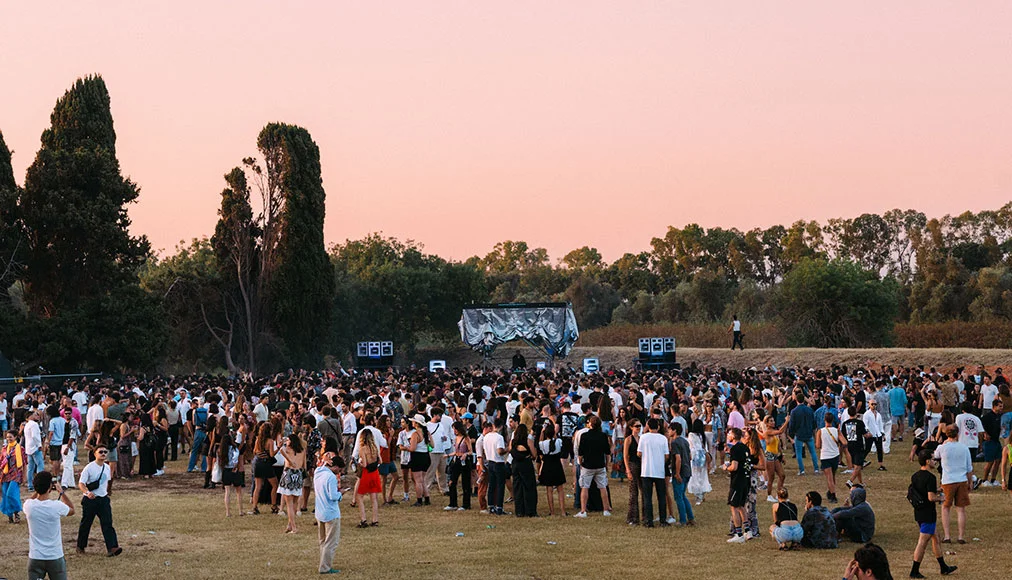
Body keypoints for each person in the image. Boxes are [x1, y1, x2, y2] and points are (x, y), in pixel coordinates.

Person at [908, 449, 958, 578]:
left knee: (936, 537)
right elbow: (930, 497)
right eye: (933, 459)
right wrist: (941, 498)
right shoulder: (930, 477)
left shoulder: (915, 476)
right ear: (927, 461)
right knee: (922, 543)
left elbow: (922, 491)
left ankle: (943, 567)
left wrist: (936, 489)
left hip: (919, 512)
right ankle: (914, 570)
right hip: (928, 514)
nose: (935, 462)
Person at [24, 471, 75, 580]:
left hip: (35, 556)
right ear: (50, 488)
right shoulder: (56, 506)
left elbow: (31, 499)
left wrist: (38, 490)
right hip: (55, 555)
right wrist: (61, 493)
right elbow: (72, 510)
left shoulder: (29, 506)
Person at [75, 444, 122, 557]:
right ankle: (80, 546)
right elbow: (81, 483)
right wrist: (87, 493)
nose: (103, 454)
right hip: (90, 500)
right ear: (95, 453)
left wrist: (107, 493)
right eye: (101, 452)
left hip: (103, 499)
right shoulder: (89, 468)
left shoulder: (106, 467)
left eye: (105, 452)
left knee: (107, 523)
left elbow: (108, 481)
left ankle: (112, 547)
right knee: (86, 523)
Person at [933, 424, 972, 544]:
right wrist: (970, 482)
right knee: (961, 509)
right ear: (958, 434)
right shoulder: (964, 448)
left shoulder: (942, 447)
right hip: (961, 480)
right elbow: (969, 468)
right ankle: (960, 536)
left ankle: (947, 536)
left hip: (947, 480)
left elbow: (935, 456)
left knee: (945, 508)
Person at [575, 415, 612, 518]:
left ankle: (583, 511)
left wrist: (581, 463)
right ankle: (605, 509)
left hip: (588, 465)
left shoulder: (584, 436)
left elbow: (580, 453)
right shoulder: (603, 436)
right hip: (600, 464)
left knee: (585, 487)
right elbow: (607, 453)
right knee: (602, 486)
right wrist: (606, 464)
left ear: (590, 424)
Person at [314, 448, 343, 575]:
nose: (339, 473)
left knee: (323, 541)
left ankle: (323, 563)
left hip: (320, 511)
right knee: (331, 542)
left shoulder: (318, 472)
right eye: (339, 470)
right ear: (335, 467)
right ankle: (325, 567)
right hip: (331, 512)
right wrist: (340, 494)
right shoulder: (330, 477)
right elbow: (333, 496)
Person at [636, 417, 668, 527]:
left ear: (648, 427)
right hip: (659, 470)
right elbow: (666, 455)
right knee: (661, 496)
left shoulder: (643, 438)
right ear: (658, 427)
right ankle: (663, 520)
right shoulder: (663, 438)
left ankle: (649, 521)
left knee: (647, 497)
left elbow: (639, 453)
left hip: (646, 470)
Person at [725, 427, 750, 543]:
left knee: (734, 506)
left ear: (734, 436)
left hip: (737, 481)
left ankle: (739, 534)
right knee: (741, 505)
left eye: (729, 433)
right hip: (746, 479)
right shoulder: (746, 447)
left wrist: (726, 467)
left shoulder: (734, 449)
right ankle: (748, 531)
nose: (728, 435)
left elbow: (734, 467)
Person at [278, 432, 306, 534]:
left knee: (289, 503)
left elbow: (281, 449)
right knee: (294, 502)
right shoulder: (302, 450)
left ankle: (293, 526)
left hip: (289, 473)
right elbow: (303, 464)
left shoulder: (288, 450)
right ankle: (290, 525)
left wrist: (289, 460)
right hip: (298, 474)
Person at [816, 412, 847, 503]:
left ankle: (833, 495)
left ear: (824, 420)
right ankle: (831, 491)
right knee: (833, 476)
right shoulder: (836, 431)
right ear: (833, 420)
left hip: (825, 456)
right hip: (835, 455)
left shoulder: (820, 431)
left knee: (829, 477)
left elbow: (818, 445)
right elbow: (844, 442)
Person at [538, 422, 567, 516]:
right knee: (560, 489)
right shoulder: (558, 442)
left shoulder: (542, 444)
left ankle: (552, 512)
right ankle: (563, 511)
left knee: (549, 490)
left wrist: (542, 432)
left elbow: (540, 443)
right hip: (557, 466)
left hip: (547, 467)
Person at [509, 422, 538, 517]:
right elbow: (534, 454)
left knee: (517, 487)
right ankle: (530, 510)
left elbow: (510, 450)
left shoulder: (513, 441)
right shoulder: (528, 441)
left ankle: (519, 510)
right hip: (526, 464)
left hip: (516, 465)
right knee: (529, 487)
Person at [355, 428, 382, 527]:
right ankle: (375, 520)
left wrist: (360, 463)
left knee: (359, 496)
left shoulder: (363, 449)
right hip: (375, 473)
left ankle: (363, 519)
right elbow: (380, 461)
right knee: (374, 498)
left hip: (367, 474)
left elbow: (365, 464)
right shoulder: (375, 447)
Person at [481, 418, 508, 515]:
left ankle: (491, 505)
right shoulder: (499, 437)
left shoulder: (487, 436)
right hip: (498, 462)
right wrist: (508, 449)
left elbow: (484, 450)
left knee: (491, 485)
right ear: (500, 426)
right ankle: (499, 507)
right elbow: (500, 451)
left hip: (490, 462)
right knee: (500, 485)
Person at [670, 421, 694, 526]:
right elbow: (689, 457)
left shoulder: (674, 443)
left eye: (670, 429)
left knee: (678, 496)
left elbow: (678, 458)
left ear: (674, 431)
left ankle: (683, 520)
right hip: (687, 470)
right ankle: (690, 517)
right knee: (683, 495)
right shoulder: (685, 441)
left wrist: (677, 473)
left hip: (680, 471)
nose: (668, 431)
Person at [788, 393, 818, 475]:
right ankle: (816, 469)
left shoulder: (794, 411)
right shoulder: (809, 410)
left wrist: (791, 433)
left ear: (796, 400)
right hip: (808, 433)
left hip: (799, 434)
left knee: (799, 453)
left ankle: (802, 470)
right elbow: (814, 422)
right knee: (813, 452)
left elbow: (792, 424)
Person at [446, 420, 473, 511]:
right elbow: (456, 451)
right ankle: (453, 503)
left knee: (465, 483)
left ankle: (466, 504)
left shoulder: (466, 438)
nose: (455, 431)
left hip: (464, 461)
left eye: (455, 429)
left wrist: (465, 454)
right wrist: (448, 455)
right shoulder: (455, 438)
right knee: (452, 481)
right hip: (457, 460)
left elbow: (470, 451)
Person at [842, 405, 871, 488]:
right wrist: (869, 435)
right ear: (856, 413)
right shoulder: (859, 423)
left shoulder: (845, 423)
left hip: (849, 445)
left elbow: (843, 435)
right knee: (859, 465)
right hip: (858, 445)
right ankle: (850, 481)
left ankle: (861, 482)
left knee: (856, 465)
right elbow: (864, 434)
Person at [2, 429, 27, 523]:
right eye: (7, 437)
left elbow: (24, 463)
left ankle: (16, 512)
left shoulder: (20, 449)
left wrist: (24, 477)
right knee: (5, 495)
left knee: (11, 494)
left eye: (10, 437)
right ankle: (10, 515)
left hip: (16, 475)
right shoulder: (4, 449)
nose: (8, 439)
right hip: (5, 475)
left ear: (15, 437)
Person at [687, 420, 711, 505]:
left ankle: (698, 496)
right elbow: (705, 447)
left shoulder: (691, 435)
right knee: (702, 476)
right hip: (703, 457)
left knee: (695, 477)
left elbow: (692, 446)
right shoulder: (702, 436)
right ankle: (701, 494)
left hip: (695, 457)